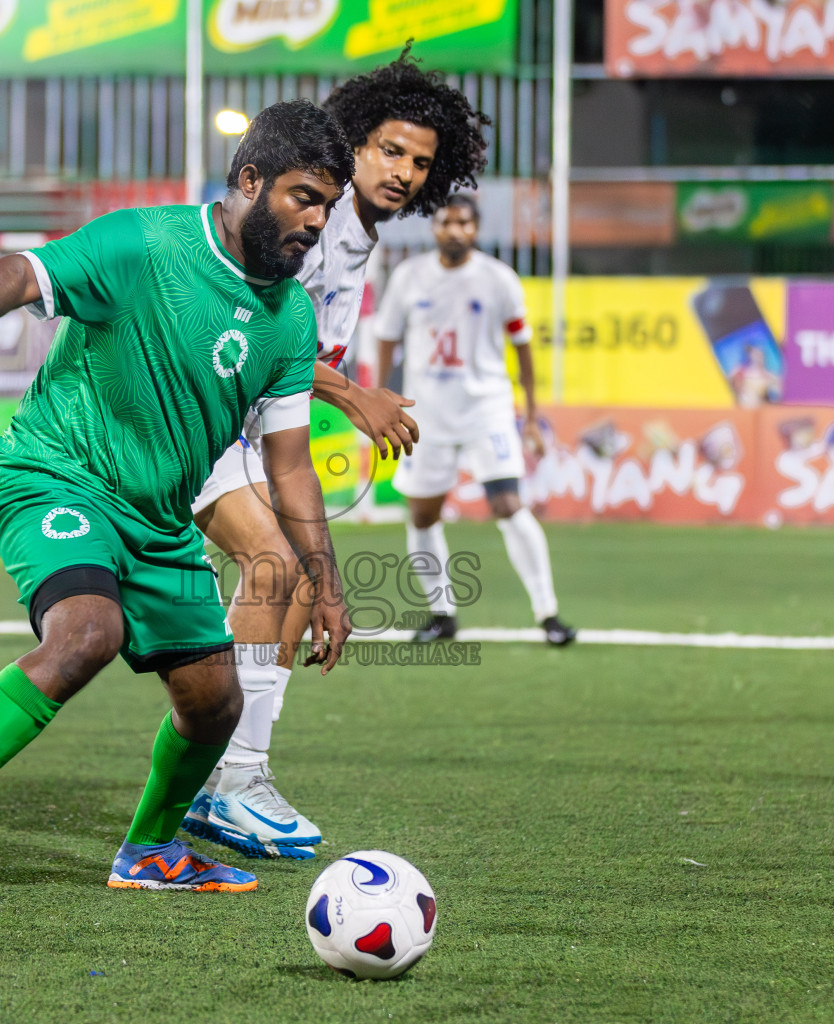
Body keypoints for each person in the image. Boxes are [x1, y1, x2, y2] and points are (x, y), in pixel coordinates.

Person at [0, 100, 356, 922]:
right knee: (88, 633)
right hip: (57, 474)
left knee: (214, 701)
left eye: (328, 207)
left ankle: (153, 850)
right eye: (304, 196)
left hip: (159, 521)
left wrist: (327, 584)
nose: (316, 220)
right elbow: (30, 269)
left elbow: (292, 466)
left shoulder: (292, 318)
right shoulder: (145, 242)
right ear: (250, 179)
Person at [181, 51, 491, 861]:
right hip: (202, 420)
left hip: (253, 431)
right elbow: (261, 335)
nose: (406, 172)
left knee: (291, 582)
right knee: (274, 572)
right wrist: (355, 395)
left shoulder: (359, 240)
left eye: (422, 162)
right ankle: (225, 777)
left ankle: (238, 775)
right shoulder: (315, 224)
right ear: (353, 143)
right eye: (391, 150)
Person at [375, 194, 576, 647]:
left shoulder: (498, 278)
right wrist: (380, 396)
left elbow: (523, 346)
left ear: (475, 228)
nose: (454, 230)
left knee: (508, 505)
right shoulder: (409, 277)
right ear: (435, 228)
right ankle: (442, 613)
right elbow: (386, 336)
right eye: (446, 222)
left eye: (463, 223)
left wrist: (530, 416)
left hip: (487, 408)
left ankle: (548, 614)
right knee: (423, 514)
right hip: (426, 412)